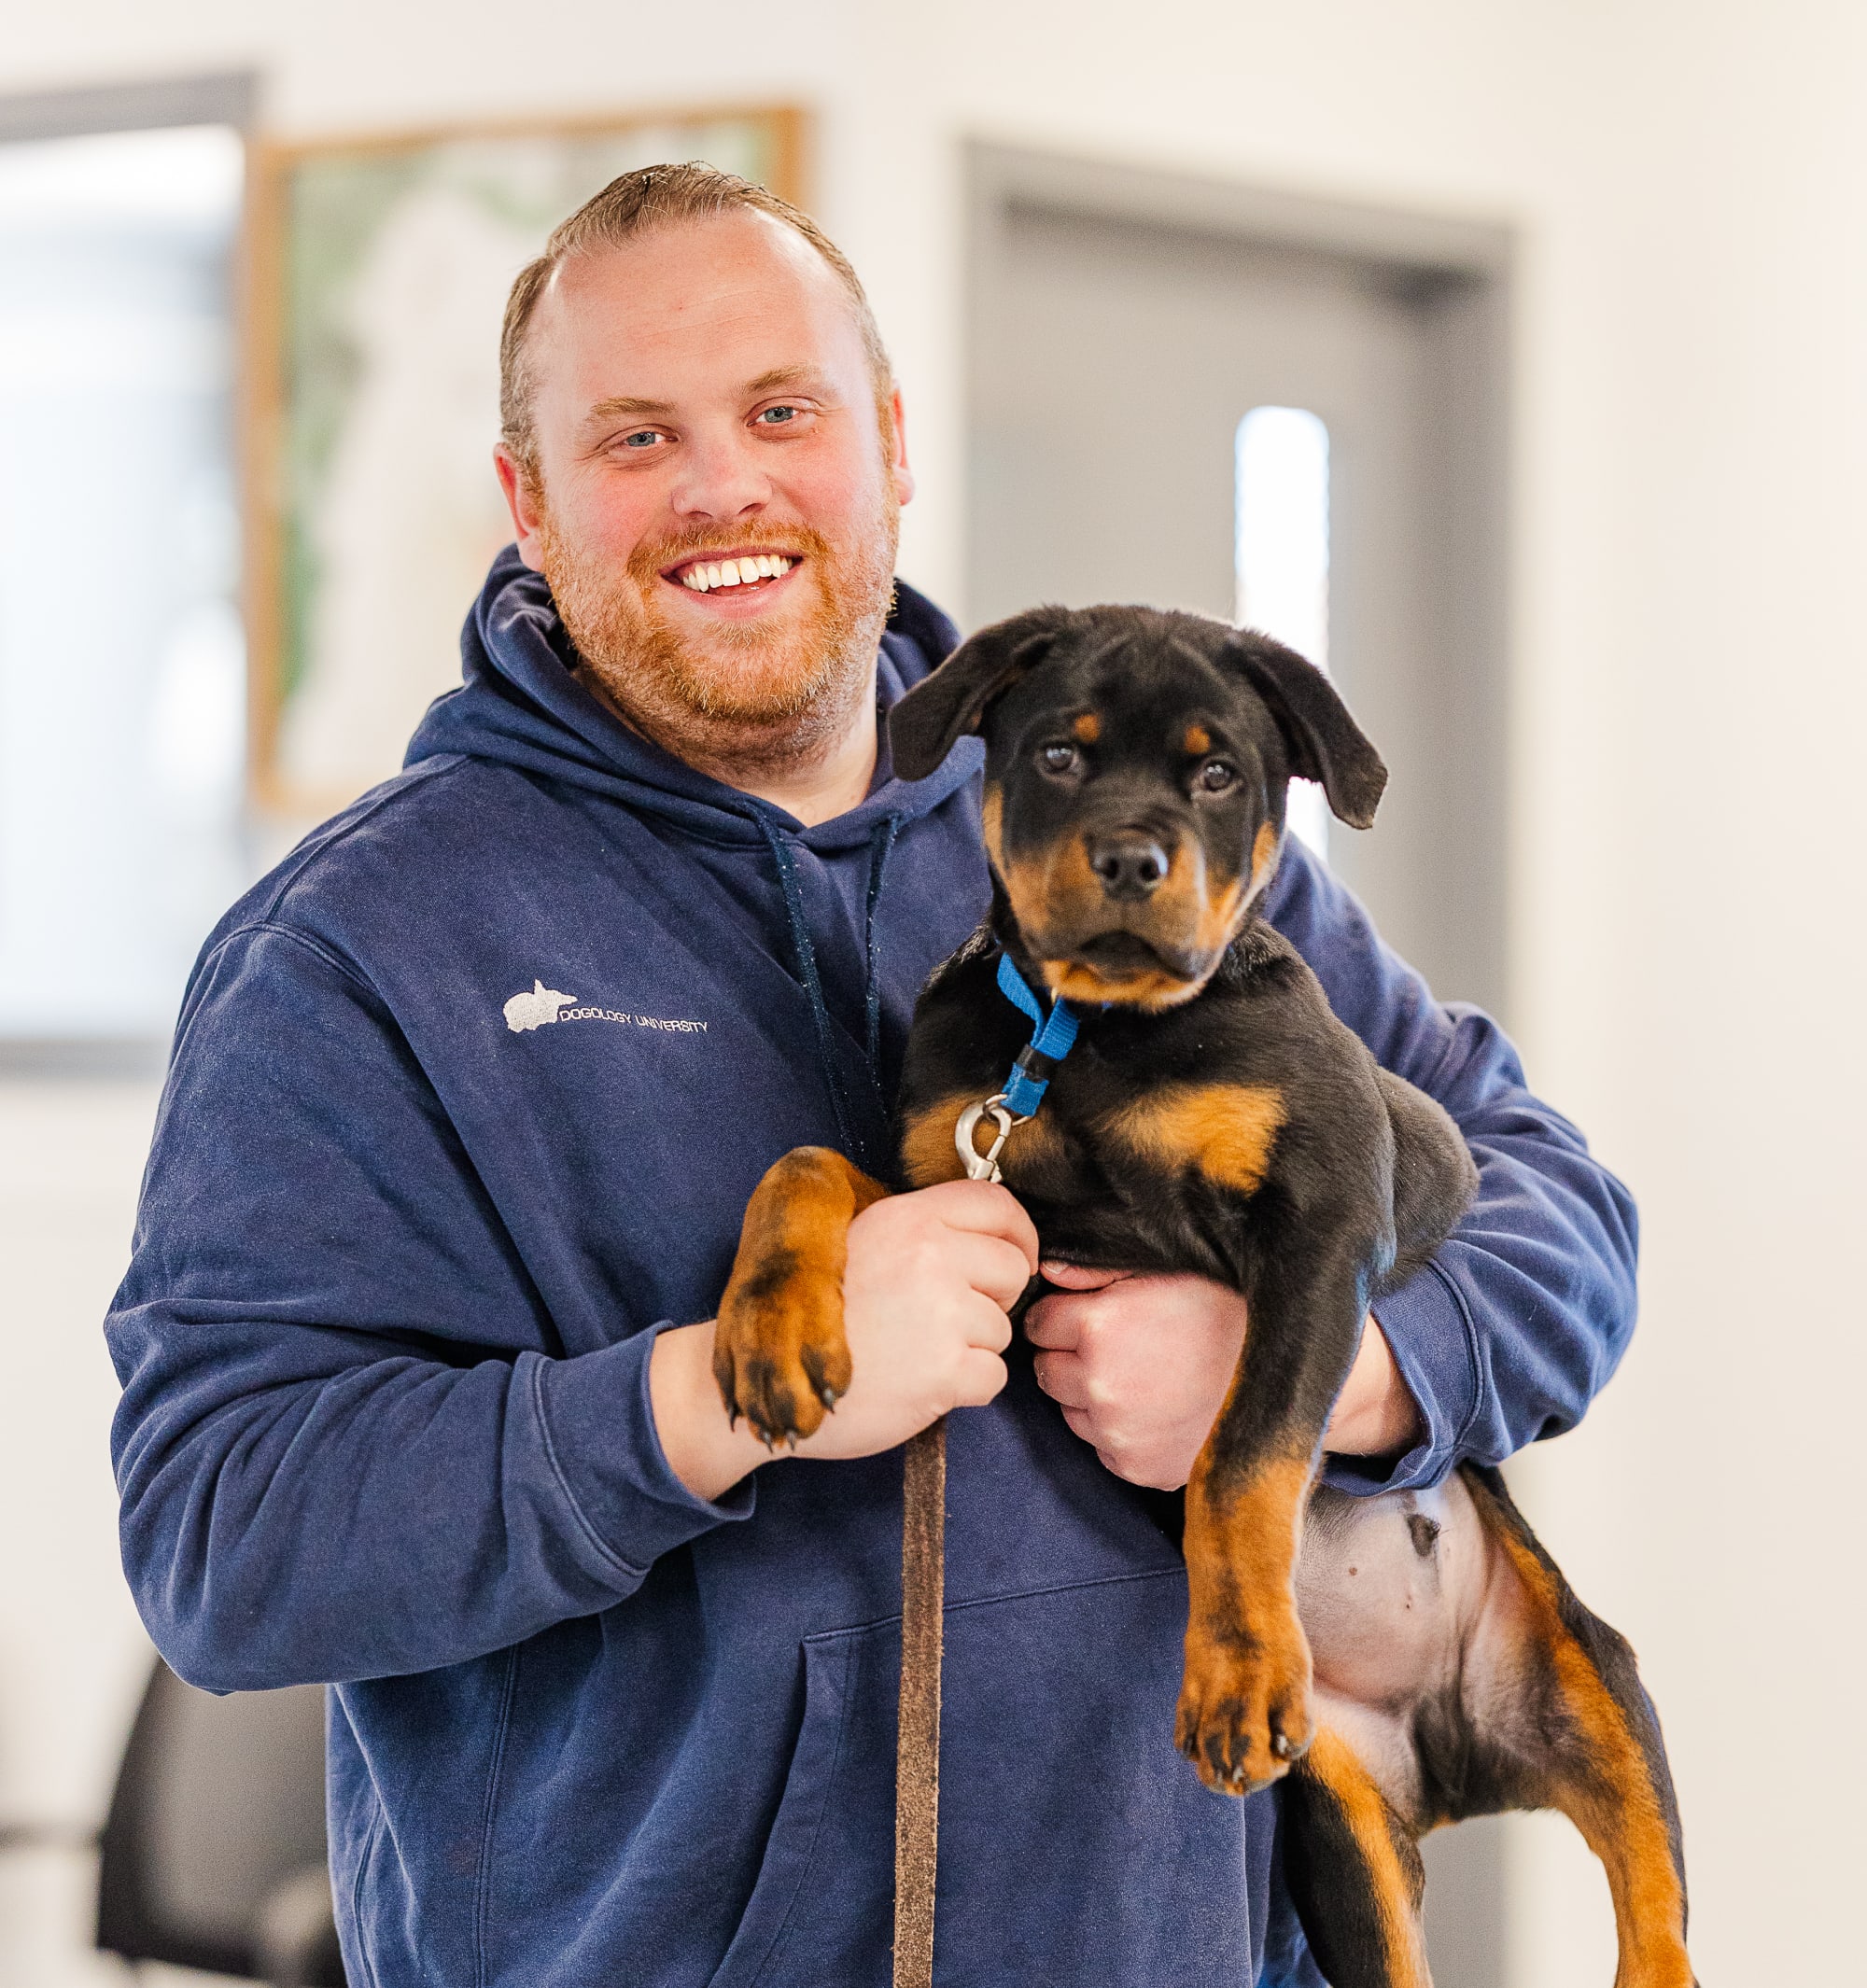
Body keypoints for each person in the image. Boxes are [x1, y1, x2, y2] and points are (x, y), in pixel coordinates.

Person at [106, 165, 1636, 1988]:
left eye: (780, 409)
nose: (720, 486)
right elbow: (225, 1536)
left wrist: (1326, 1379)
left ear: (889, 442)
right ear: (524, 502)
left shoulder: (1174, 867)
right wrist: (714, 1404)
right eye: (634, 435)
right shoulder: (360, 952)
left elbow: (1561, 1213)